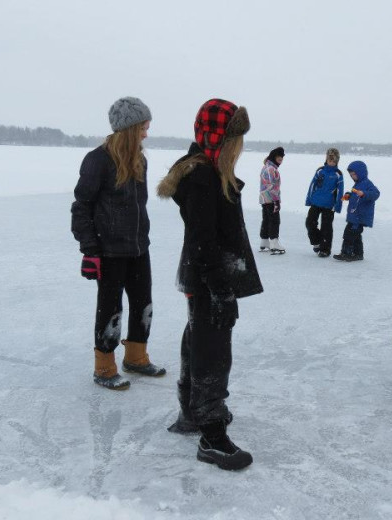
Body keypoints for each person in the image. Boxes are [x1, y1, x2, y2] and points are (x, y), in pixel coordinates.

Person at [156, 98, 262, 471]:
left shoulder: (207, 168)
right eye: (236, 138)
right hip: (208, 277)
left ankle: (191, 413)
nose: (240, 146)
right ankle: (211, 435)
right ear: (219, 137)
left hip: (203, 275)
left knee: (198, 337)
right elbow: (204, 242)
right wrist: (220, 290)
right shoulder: (202, 177)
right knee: (212, 349)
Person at [71, 96, 165, 391]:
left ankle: (136, 357)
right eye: (143, 128)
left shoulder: (140, 160)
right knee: (110, 309)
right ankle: (104, 366)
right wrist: (90, 250)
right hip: (109, 251)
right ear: (128, 128)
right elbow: (81, 207)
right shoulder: (97, 160)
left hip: (138, 248)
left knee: (143, 304)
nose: (146, 134)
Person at [333, 160, 380, 261]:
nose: (352, 176)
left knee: (349, 234)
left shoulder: (367, 184)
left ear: (361, 173)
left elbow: (376, 193)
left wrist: (364, 194)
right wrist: (349, 196)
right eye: (351, 175)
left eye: (354, 174)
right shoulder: (357, 184)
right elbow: (355, 196)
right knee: (356, 235)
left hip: (360, 216)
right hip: (354, 216)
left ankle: (347, 253)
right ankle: (358, 254)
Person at [305, 148, 344, 257]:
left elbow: (340, 191)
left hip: (329, 205)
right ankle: (317, 242)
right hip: (316, 202)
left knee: (326, 227)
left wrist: (338, 206)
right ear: (326, 159)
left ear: (336, 161)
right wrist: (308, 199)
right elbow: (312, 185)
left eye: (333, 161)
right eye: (329, 160)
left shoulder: (338, 174)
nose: (331, 162)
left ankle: (325, 249)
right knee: (309, 222)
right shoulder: (320, 171)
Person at [259, 147, 285, 254]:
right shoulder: (271, 169)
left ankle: (264, 241)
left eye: (282, 159)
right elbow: (271, 186)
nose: (281, 162)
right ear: (274, 158)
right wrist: (276, 200)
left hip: (264, 199)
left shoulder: (266, 167)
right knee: (274, 220)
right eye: (279, 159)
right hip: (271, 199)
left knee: (266, 219)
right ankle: (274, 241)